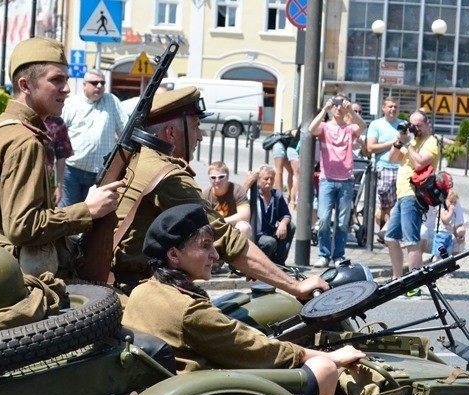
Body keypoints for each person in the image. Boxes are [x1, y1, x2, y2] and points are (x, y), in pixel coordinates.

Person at [122, 204, 365, 395]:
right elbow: (258, 351)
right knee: (323, 369)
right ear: (174, 255)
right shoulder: (188, 310)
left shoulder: (142, 291)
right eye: (205, 246)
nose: (215, 256)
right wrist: (331, 356)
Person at [111, 86, 328, 298]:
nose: (201, 137)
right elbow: (225, 238)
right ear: (170, 132)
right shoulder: (166, 175)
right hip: (135, 291)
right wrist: (294, 285)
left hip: (126, 283)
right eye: (196, 126)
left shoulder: (140, 159)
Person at [0, 37, 121, 279]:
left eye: (66, 80)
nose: (67, 88)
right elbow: (23, 227)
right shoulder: (25, 141)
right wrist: (87, 210)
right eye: (56, 80)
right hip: (13, 277)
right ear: (26, 85)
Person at [385, 110, 440, 293]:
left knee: (411, 240)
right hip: (402, 195)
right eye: (412, 124)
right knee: (391, 238)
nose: (415, 128)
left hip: (414, 195)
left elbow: (419, 164)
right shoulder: (412, 142)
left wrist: (408, 144)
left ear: (428, 124)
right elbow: (391, 158)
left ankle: (415, 284)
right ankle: (397, 279)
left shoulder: (431, 142)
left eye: (419, 125)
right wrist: (399, 140)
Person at [309, 94, 366, 268]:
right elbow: (312, 129)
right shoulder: (325, 127)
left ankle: (338, 255)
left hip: (346, 180)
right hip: (327, 178)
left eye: (341, 104)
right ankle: (324, 254)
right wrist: (324, 109)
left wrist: (351, 110)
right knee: (324, 219)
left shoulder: (349, 129)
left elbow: (362, 126)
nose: (338, 107)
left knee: (342, 222)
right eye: (336, 104)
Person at [59, 68, 126, 207]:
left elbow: (125, 131)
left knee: (93, 215)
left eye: (102, 83)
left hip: (100, 173)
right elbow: (59, 135)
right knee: (69, 212)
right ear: (84, 85)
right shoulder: (72, 104)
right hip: (72, 170)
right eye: (94, 83)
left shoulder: (112, 101)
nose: (99, 86)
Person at [367, 97, 403, 243]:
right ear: (383, 108)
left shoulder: (402, 125)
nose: (392, 109)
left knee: (398, 202)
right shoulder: (376, 124)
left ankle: (389, 233)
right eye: (390, 106)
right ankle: (387, 231)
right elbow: (370, 147)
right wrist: (391, 144)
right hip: (384, 166)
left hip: (400, 167)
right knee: (386, 203)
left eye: (395, 107)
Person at [251, 165, 295, 265]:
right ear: (258, 180)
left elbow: (286, 215)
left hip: (270, 232)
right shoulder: (253, 195)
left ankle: (278, 263)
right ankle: (260, 264)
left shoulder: (276, 196)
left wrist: (283, 223)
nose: (269, 182)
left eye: (272, 179)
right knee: (269, 242)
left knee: (290, 226)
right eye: (266, 179)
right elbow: (239, 197)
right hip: (256, 235)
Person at [201, 161, 251, 239]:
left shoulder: (237, 190)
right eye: (213, 177)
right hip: (213, 230)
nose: (217, 181)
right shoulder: (205, 195)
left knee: (244, 227)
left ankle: (240, 250)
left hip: (233, 228)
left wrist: (221, 221)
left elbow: (245, 215)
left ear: (227, 177)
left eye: (221, 177)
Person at [44, 115, 73, 206]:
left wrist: (59, 186)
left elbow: (61, 156)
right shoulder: (20, 119)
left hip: (45, 181)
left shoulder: (57, 122)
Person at [271, 127, 300, 209]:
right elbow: (294, 132)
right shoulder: (302, 128)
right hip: (279, 145)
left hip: (289, 148)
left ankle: (291, 196)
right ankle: (280, 198)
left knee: (292, 172)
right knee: (279, 170)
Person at [431, 188, 464, 258]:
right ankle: (434, 266)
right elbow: (445, 221)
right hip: (440, 236)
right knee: (437, 254)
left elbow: (453, 226)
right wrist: (451, 212)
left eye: (455, 202)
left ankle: (445, 267)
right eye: (451, 202)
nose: (453, 204)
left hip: (449, 236)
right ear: (444, 200)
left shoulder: (452, 213)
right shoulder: (441, 209)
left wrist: (457, 235)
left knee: (448, 254)